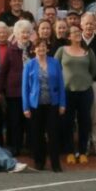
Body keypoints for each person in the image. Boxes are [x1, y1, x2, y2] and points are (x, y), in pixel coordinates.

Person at [22, 39, 66, 173]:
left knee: (53, 134)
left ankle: (55, 164)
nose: (41, 49)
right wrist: (26, 107)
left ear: (47, 49)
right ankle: (39, 161)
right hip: (35, 105)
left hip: (52, 104)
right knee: (37, 135)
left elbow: (61, 84)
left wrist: (62, 104)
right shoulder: (29, 64)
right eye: (38, 47)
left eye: (43, 46)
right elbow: (25, 88)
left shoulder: (55, 62)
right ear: (33, 49)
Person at [56, 23, 96, 165]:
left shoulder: (88, 51)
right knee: (67, 122)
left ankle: (83, 151)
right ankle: (70, 151)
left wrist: (85, 80)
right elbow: (55, 69)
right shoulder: (62, 50)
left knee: (84, 122)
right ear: (68, 36)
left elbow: (93, 70)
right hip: (67, 92)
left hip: (85, 91)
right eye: (74, 32)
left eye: (78, 31)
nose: (77, 34)